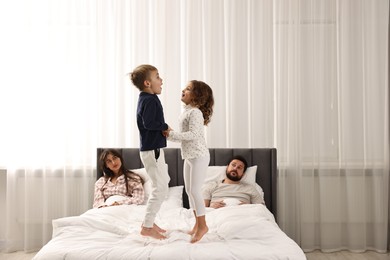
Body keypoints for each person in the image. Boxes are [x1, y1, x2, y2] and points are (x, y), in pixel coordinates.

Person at [166, 80, 214, 243]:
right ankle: (196, 225)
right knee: (189, 191)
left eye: (188, 89)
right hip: (189, 156)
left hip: (199, 156)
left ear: (196, 96)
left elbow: (193, 135)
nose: (183, 90)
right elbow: (184, 138)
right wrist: (171, 134)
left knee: (195, 191)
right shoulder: (187, 112)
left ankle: (203, 226)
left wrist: (171, 134)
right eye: (185, 88)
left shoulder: (195, 113)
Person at [130, 64, 171, 240]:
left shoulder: (146, 98)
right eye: (157, 77)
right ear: (147, 83)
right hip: (151, 150)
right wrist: (165, 127)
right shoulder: (150, 100)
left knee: (164, 182)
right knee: (160, 188)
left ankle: (150, 221)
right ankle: (147, 226)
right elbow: (149, 124)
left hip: (154, 149)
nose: (161, 80)